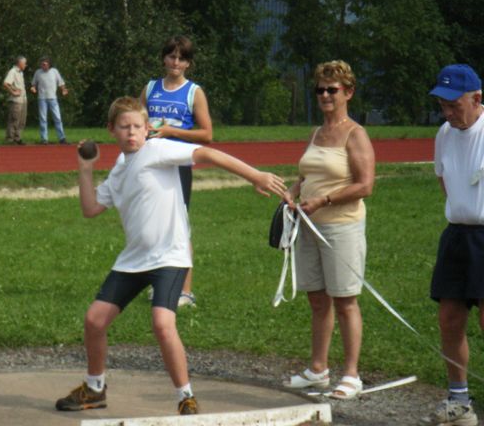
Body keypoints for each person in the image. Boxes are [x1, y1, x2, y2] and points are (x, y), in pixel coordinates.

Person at [55, 96, 285, 415]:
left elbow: (205, 152)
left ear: (148, 128)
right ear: (111, 130)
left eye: (138, 126)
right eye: (124, 127)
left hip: (170, 257)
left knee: (162, 323)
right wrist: (85, 169)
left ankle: (185, 396)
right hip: (133, 260)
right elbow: (91, 208)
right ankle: (94, 388)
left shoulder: (157, 150)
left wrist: (254, 175)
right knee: (94, 320)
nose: (132, 132)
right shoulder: (121, 169)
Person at [282, 60, 375, 400]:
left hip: (341, 227)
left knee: (345, 300)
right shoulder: (317, 133)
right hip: (308, 226)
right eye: (320, 89)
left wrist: (324, 200)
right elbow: (307, 174)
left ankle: (351, 374)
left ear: (348, 92)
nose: (324, 95)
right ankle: (318, 370)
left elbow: (365, 185)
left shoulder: (356, 134)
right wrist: (292, 193)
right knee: (318, 299)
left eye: (332, 89)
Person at [421, 64, 484, 426]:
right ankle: (459, 400)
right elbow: (444, 180)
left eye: (453, 105)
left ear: (477, 99)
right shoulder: (444, 133)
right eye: (442, 105)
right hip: (457, 234)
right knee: (449, 318)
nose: (446, 112)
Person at [140, 36, 212, 307]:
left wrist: (171, 131)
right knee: (154, 226)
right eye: (171, 56)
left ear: (188, 64)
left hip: (178, 165)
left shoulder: (194, 92)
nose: (175, 62)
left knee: (179, 227)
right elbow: (138, 121)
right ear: (164, 58)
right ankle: (159, 285)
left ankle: (185, 291)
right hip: (151, 164)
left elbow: (207, 134)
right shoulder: (150, 88)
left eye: (181, 58)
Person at [30, 57, 69, 145]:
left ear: (49, 64)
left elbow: (61, 83)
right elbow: (33, 84)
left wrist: (64, 90)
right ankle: (44, 139)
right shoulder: (38, 72)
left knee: (58, 118)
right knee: (43, 119)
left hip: (53, 98)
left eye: (45, 64)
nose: (43, 66)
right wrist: (33, 88)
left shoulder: (54, 71)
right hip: (42, 98)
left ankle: (62, 138)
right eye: (42, 64)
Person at [3, 56, 28, 145]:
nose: (26, 65)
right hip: (16, 100)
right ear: (20, 63)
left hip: (22, 99)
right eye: (24, 63)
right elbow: (6, 84)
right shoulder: (13, 72)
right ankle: (10, 138)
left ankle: (17, 138)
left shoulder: (20, 73)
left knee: (22, 120)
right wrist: (13, 93)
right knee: (14, 119)